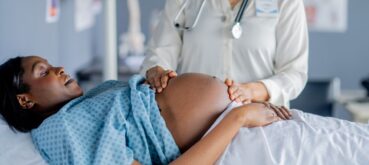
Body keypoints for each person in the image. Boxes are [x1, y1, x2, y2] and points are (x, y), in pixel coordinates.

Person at [0, 56, 290, 164]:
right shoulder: (59, 131)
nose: (59, 68)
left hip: (243, 115)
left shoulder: (84, 105)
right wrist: (239, 117)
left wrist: (153, 74)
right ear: (26, 100)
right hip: (231, 132)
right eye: (44, 71)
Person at [140, 0, 308, 107]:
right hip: (192, 123)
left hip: (259, 125)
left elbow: (294, 73)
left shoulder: (286, 2)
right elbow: (160, 52)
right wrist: (157, 71)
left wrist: (253, 90)